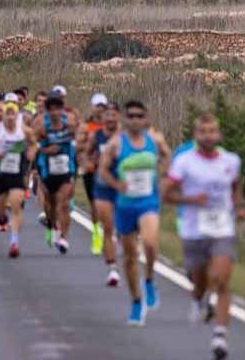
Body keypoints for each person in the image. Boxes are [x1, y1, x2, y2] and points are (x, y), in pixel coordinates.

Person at [164, 113, 245, 360]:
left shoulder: (231, 160)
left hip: (222, 227)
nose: (209, 136)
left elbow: (235, 186)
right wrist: (190, 199)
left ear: (219, 134)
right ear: (195, 136)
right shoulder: (184, 162)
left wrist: (238, 207)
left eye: (213, 131)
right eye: (203, 132)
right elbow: (166, 195)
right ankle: (198, 298)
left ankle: (220, 335)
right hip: (194, 228)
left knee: (222, 279)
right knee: (199, 280)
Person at [99, 100, 173, 326]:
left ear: (146, 118)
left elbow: (168, 157)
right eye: (130, 116)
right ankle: (136, 301)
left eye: (139, 115)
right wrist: (115, 184)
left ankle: (149, 280)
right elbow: (103, 169)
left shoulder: (154, 139)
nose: (134, 120)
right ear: (125, 119)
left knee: (150, 243)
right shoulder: (116, 144)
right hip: (125, 205)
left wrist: (163, 180)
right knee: (130, 257)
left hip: (148, 201)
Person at [0, 93, 36, 257]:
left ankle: (14, 241)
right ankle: (1, 217)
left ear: (17, 114)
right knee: (2, 206)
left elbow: (34, 144)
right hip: (0, 172)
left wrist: (31, 153)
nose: (10, 117)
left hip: (17, 172)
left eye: (13, 113)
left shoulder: (23, 129)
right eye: (7, 113)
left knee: (16, 205)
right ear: (3, 114)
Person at [33, 94, 79, 253]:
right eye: (50, 109)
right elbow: (34, 146)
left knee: (64, 203)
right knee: (51, 205)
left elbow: (80, 140)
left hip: (66, 169)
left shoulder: (70, 125)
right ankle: (52, 226)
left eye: (57, 108)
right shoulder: (41, 125)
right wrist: (46, 150)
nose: (54, 112)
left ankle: (64, 238)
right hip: (47, 169)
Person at [87, 103, 123, 287]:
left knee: (125, 229)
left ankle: (121, 240)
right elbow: (86, 153)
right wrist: (89, 162)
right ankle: (113, 269)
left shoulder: (126, 137)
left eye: (113, 115)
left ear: (119, 117)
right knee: (107, 227)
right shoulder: (97, 135)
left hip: (123, 186)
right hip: (103, 185)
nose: (110, 118)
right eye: (107, 115)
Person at [80, 92, 109, 255]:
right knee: (94, 205)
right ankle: (97, 233)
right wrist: (86, 161)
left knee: (108, 205)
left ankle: (108, 233)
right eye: (97, 106)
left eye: (102, 107)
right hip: (92, 171)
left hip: (108, 172)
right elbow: (81, 147)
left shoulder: (112, 126)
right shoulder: (87, 126)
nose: (100, 110)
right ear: (92, 107)